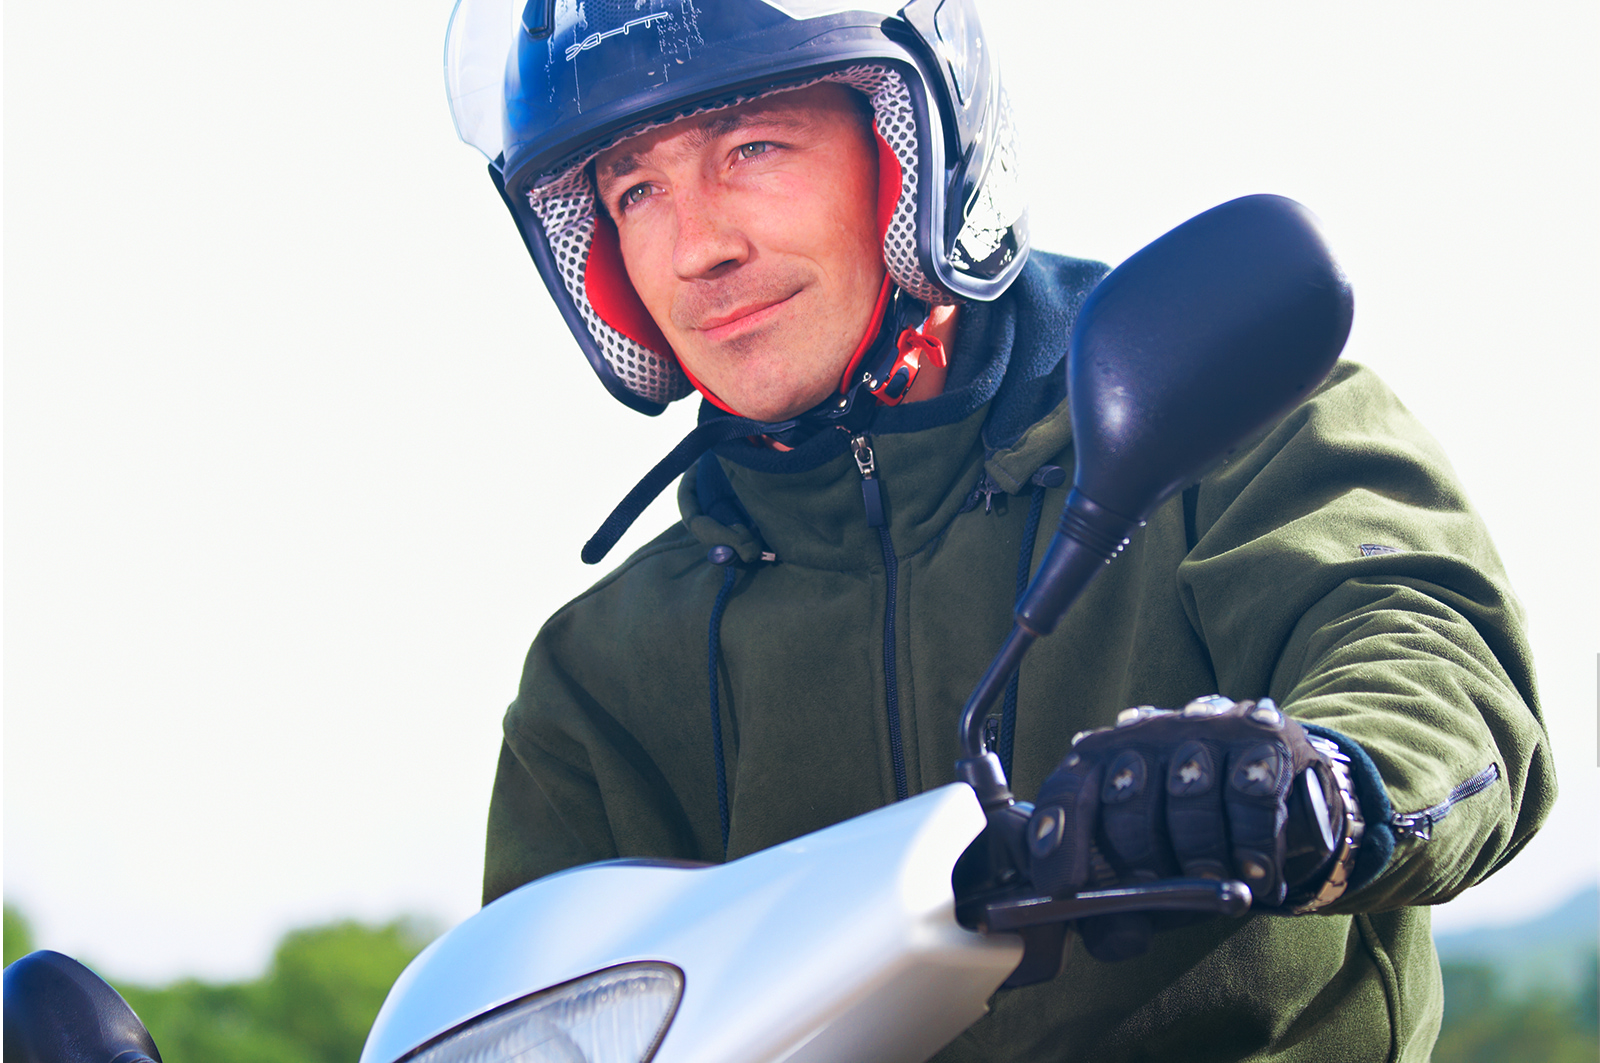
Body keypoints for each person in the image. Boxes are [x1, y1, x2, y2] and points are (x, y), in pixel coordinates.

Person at [445, 1, 1555, 1059]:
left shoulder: (1208, 408)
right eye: (635, 191)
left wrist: (1316, 782)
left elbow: (1424, 648)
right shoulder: (599, 676)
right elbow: (538, 1004)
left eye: (755, 150)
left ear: (910, 150)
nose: (696, 248)